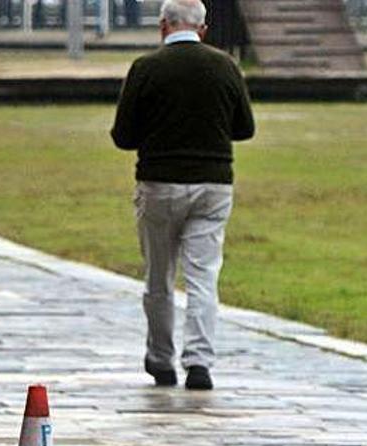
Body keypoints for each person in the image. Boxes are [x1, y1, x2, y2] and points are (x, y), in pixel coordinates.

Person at [110, 0, 255, 390]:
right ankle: (199, 363)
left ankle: (160, 359)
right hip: (213, 184)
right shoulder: (226, 66)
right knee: (203, 277)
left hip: (158, 183)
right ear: (203, 29)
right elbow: (244, 129)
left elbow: (123, 136)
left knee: (159, 277)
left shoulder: (146, 68)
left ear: (163, 26)